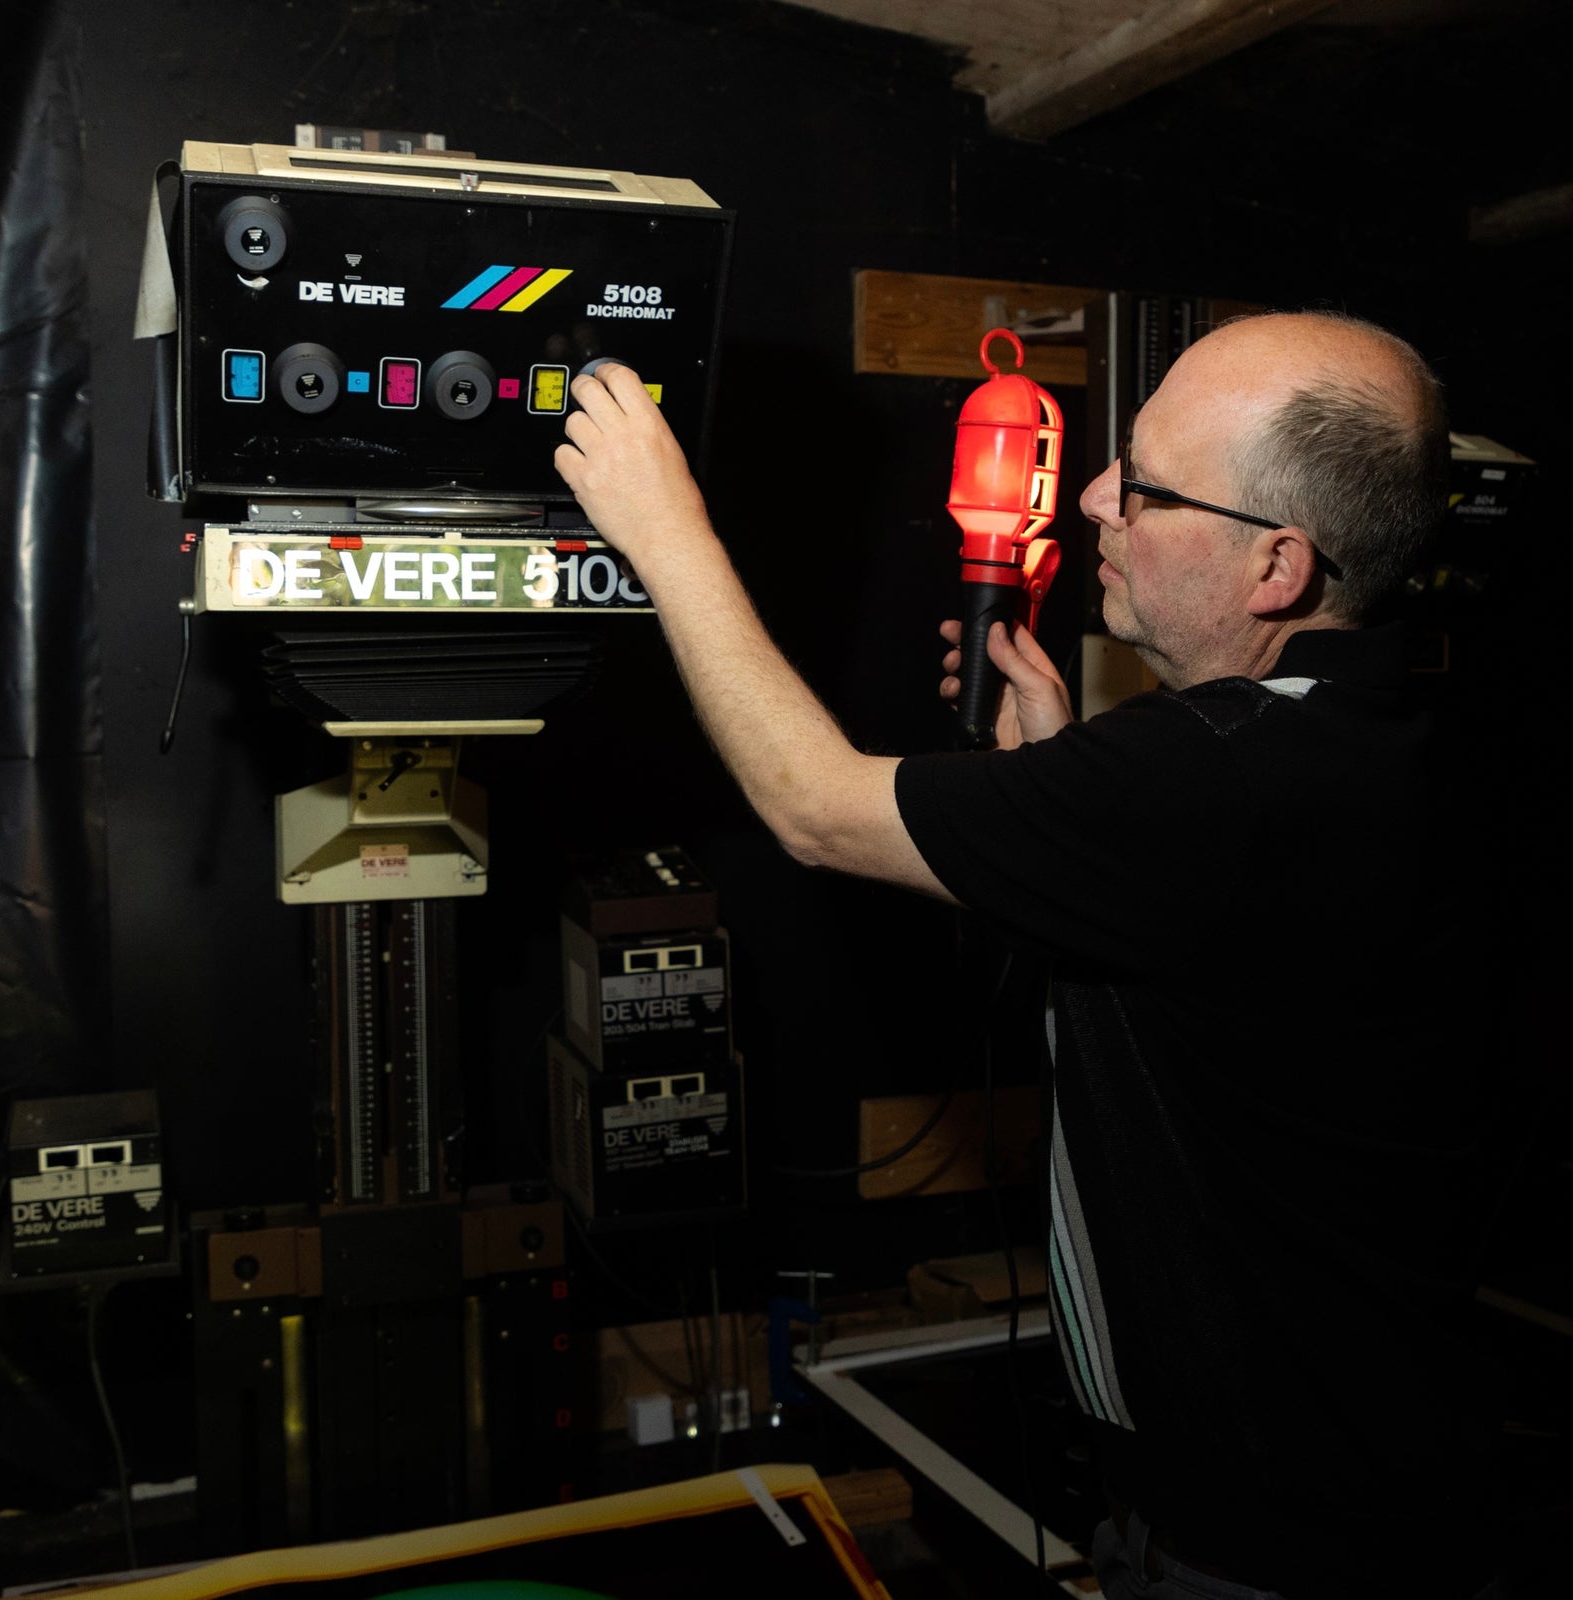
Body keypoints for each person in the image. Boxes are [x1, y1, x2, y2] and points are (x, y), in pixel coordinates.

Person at [555, 311, 1508, 1599]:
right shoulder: (1361, 735)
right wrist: (1059, 788)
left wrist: (666, 532)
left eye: (1149, 487)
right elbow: (1218, 932)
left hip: (1268, 1553)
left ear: (1277, 565)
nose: (1098, 499)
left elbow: (816, 808)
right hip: (1350, 1494)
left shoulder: (1211, 781)